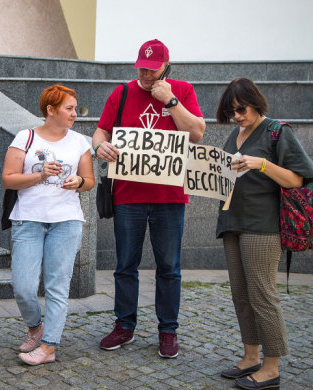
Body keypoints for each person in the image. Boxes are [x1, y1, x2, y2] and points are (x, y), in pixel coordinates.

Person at [92, 39, 205, 358]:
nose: (145, 74)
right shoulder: (122, 92)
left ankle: (168, 331)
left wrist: (170, 101)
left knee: (169, 266)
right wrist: (99, 146)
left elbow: (196, 133)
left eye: (152, 69)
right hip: (129, 195)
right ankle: (124, 325)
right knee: (125, 264)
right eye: (141, 67)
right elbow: (101, 131)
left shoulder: (182, 90)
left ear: (166, 67)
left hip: (170, 197)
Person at [215, 78, 313, 390]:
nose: (236, 116)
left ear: (256, 102)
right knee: (241, 294)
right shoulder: (236, 133)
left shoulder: (277, 131)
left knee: (262, 294)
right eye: (231, 112)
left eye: (241, 109)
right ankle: (250, 357)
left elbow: (297, 179)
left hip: (263, 225)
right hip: (232, 221)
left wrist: (261, 164)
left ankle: (271, 368)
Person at [2, 84, 95, 366]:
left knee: (57, 286)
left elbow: (88, 181)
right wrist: (40, 175)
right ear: (50, 110)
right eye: (69, 108)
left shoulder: (80, 141)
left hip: (66, 222)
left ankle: (48, 347)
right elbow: (8, 178)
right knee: (23, 287)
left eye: (75, 108)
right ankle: (35, 327)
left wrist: (79, 182)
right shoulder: (25, 137)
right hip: (28, 220)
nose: (74, 114)